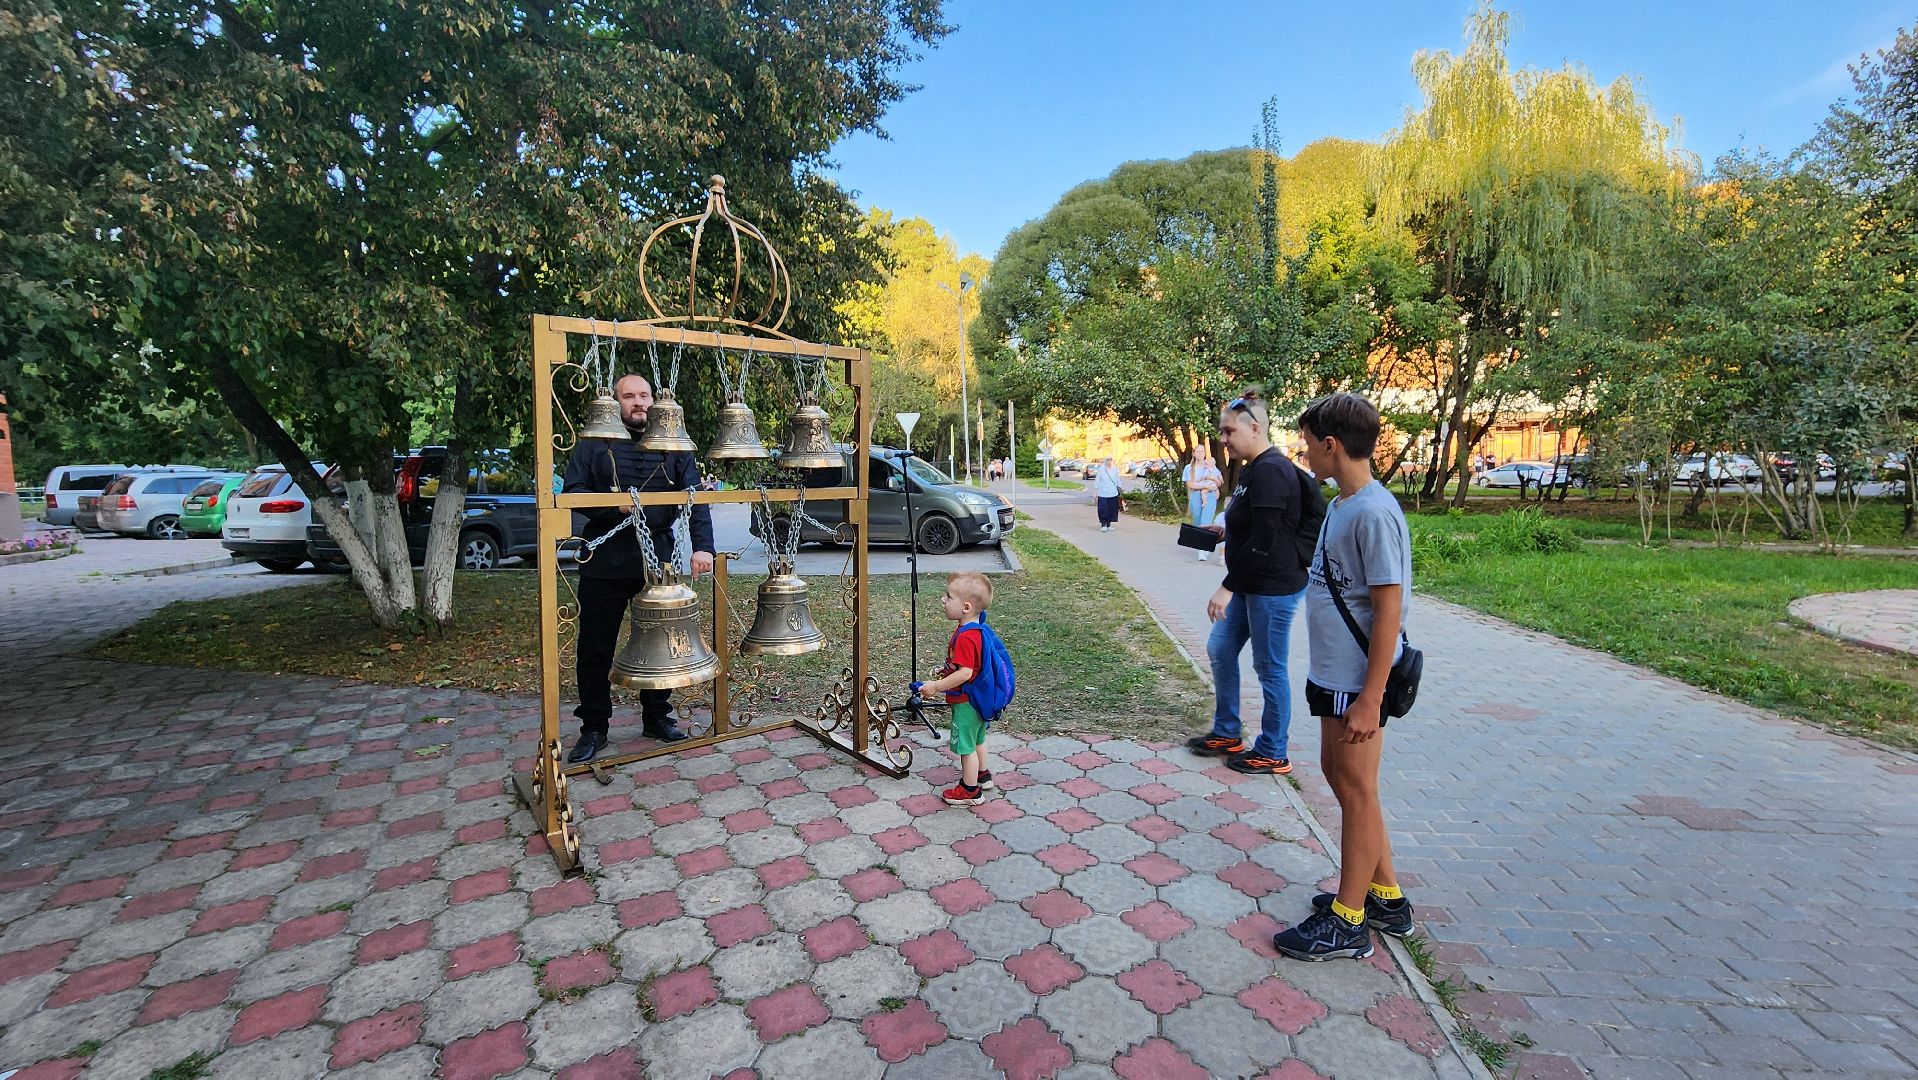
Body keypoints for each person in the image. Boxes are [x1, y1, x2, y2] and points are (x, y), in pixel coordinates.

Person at [1273, 391, 1415, 962]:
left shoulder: (1374, 512)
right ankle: (1386, 898)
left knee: (1356, 791)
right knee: (1341, 779)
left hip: (1359, 682)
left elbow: (1388, 611)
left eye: (1308, 446)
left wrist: (1370, 696)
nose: (1305, 455)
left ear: (1332, 446)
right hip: (1332, 673)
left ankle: (1348, 921)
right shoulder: (1342, 504)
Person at [563, 373, 715, 764]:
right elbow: (572, 493)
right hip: (606, 558)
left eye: (644, 395)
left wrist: (704, 548)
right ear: (615, 404)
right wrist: (610, 503)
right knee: (595, 648)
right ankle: (594, 726)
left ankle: (656, 717)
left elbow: (695, 497)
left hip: (658, 558)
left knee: (662, 642)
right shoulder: (595, 444)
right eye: (629, 396)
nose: (639, 402)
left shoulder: (674, 443)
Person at [1186, 389, 1321, 776]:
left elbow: (1266, 540)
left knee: (1269, 667)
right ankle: (1228, 732)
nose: (1223, 439)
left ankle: (1274, 751)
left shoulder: (1272, 470)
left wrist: (1227, 585)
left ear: (1255, 428)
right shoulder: (1252, 469)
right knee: (1221, 648)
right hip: (1252, 582)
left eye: (1228, 432)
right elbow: (1257, 527)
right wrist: (1225, 532)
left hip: (1272, 587)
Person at [913, 571, 998, 805]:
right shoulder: (976, 629)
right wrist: (947, 671)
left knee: (965, 746)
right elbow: (968, 666)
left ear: (966, 607)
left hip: (966, 702)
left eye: (949, 597)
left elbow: (966, 673)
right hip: (980, 699)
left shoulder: (966, 637)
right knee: (978, 738)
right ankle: (983, 775)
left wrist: (936, 686)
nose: (943, 600)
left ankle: (970, 791)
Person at [1182, 446, 1223, 561]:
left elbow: (1220, 482)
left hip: (1210, 495)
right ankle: (1202, 544)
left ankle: (1203, 550)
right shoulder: (1189, 468)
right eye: (1198, 452)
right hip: (1196, 496)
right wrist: (1204, 485)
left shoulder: (1210, 465)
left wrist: (1212, 479)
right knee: (1197, 522)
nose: (1200, 454)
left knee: (1206, 521)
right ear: (1194, 454)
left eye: (1202, 451)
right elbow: (1190, 484)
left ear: (1205, 453)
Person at [1092, 456, 1122, 531]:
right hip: (1103, 493)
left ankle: (1109, 525)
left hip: (1113, 493)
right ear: (1105, 460)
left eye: (1111, 459)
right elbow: (1097, 480)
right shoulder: (1101, 469)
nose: (1109, 461)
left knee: (1112, 509)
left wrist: (1120, 488)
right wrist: (1095, 491)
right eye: (1108, 459)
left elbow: (1118, 479)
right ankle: (1103, 524)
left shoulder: (1115, 469)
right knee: (1103, 509)